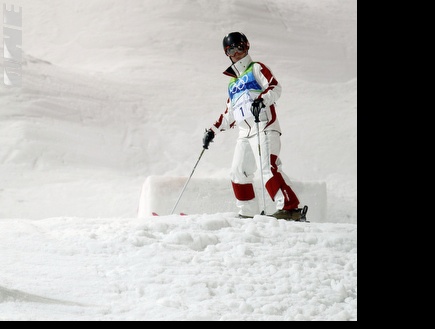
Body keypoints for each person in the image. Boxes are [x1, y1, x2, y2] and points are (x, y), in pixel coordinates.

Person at [203, 32, 305, 220]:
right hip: (244, 132)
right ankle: (247, 212)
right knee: (238, 172)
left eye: (239, 47)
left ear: (247, 46)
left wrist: (262, 100)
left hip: (264, 125)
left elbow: (275, 87)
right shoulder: (233, 82)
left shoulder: (256, 68)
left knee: (267, 167)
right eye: (231, 49)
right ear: (227, 54)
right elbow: (229, 114)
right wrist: (212, 131)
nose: (236, 52)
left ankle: (290, 208)